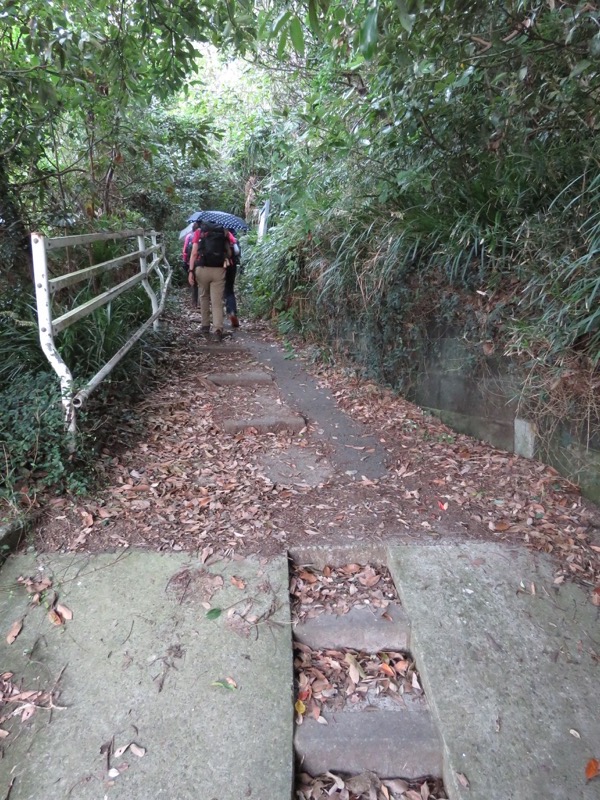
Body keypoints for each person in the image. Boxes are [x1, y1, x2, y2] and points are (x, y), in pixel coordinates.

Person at [188, 222, 236, 341]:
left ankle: (205, 326)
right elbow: (232, 251)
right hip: (219, 270)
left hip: (202, 268)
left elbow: (194, 253)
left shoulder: (199, 232)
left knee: (204, 296)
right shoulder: (224, 231)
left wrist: (190, 270)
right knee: (217, 300)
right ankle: (218, 330)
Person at [224, 230, 241, 328]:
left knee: (219, 291)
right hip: (231, 265)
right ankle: (232, 312)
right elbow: (237, 252)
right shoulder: (232, 237)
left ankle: (216, 317)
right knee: (230, 290)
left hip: (219, 266)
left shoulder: (216, 235)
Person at [181, 222, 199, 307]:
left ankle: (194, 302)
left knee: (194, 282)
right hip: (201, 262)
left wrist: (185, 261)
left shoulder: (189, 236)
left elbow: (185, 250)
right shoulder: (204, 235)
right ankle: (203, 300)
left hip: (191, 262)